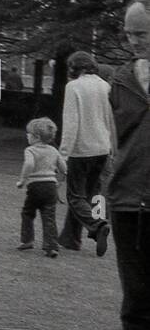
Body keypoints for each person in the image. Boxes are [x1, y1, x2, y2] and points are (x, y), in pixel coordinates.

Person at [106, 0, 150, 330]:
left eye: (141, 33)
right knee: (135, 301)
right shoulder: (120, 81)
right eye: (129, 33)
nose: (133, 40)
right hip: (127, 203)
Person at [56, 51, 114, 255]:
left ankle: (98, 226)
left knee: (74, 197)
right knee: (88, 195)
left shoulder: (73, 87)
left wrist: (62, 155)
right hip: (102, 148)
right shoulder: (105, 86)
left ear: (74, 67)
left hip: (82, 150)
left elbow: (71, 124)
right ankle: (70, 239)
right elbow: (110, 120)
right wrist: (111, 149)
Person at [16, 117, 66, 258]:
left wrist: (22, 180)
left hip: (35, 187)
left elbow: (29, 165)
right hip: (51, 187)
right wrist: (59, 182)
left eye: (29, 134)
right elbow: (64, 168)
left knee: (28, 212)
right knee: (49, 216)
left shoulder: (30, 150)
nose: (27, 136)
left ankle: (27, 240)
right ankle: (51, 246)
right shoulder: (54, 151)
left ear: (36, 137)